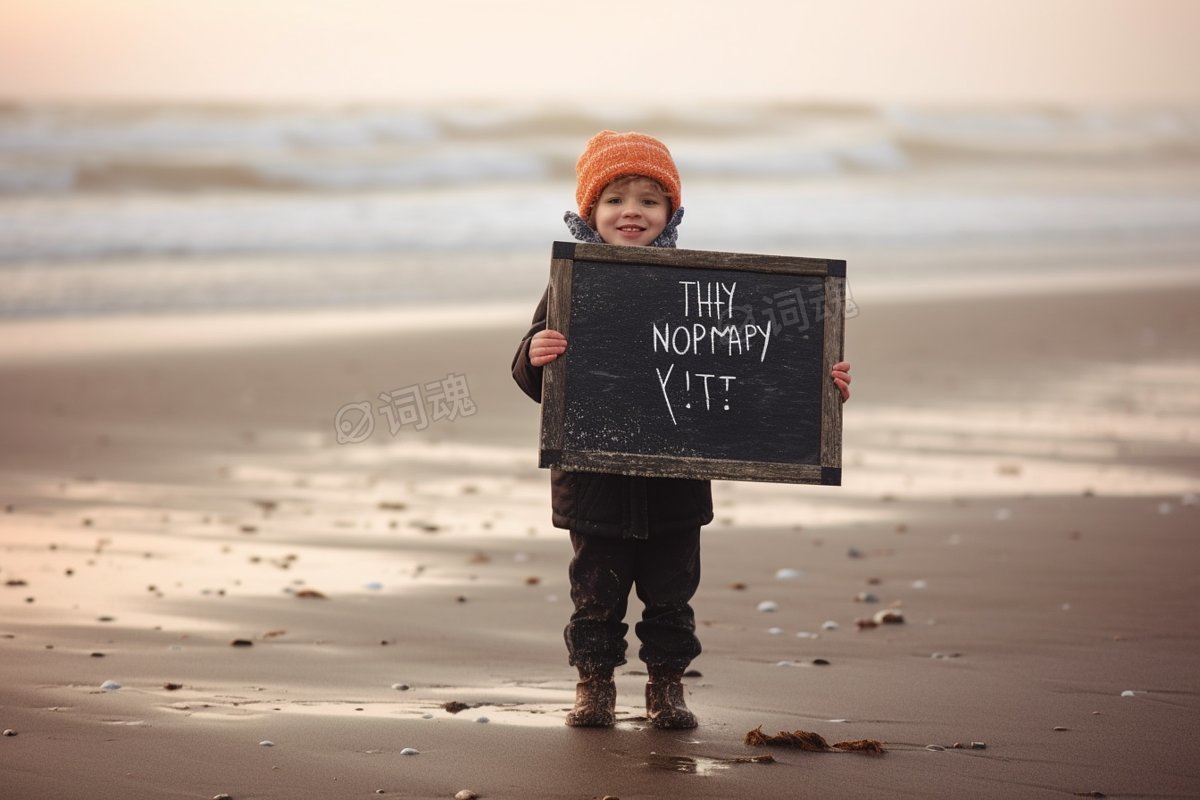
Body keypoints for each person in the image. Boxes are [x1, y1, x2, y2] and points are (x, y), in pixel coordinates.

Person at [511, 130, 852, 729]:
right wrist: (533, 353)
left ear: (671, 211)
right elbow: (538, 383)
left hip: (677, 483)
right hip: (595, 481)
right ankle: (595, 685)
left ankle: (667, 687)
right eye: (615, 198)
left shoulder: (699, 286)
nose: (631, 211)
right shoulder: (576, 279)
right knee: (596, 595)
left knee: (671, 595)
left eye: (649, 199)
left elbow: (756, 360)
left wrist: (819, 381)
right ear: (590, 210)